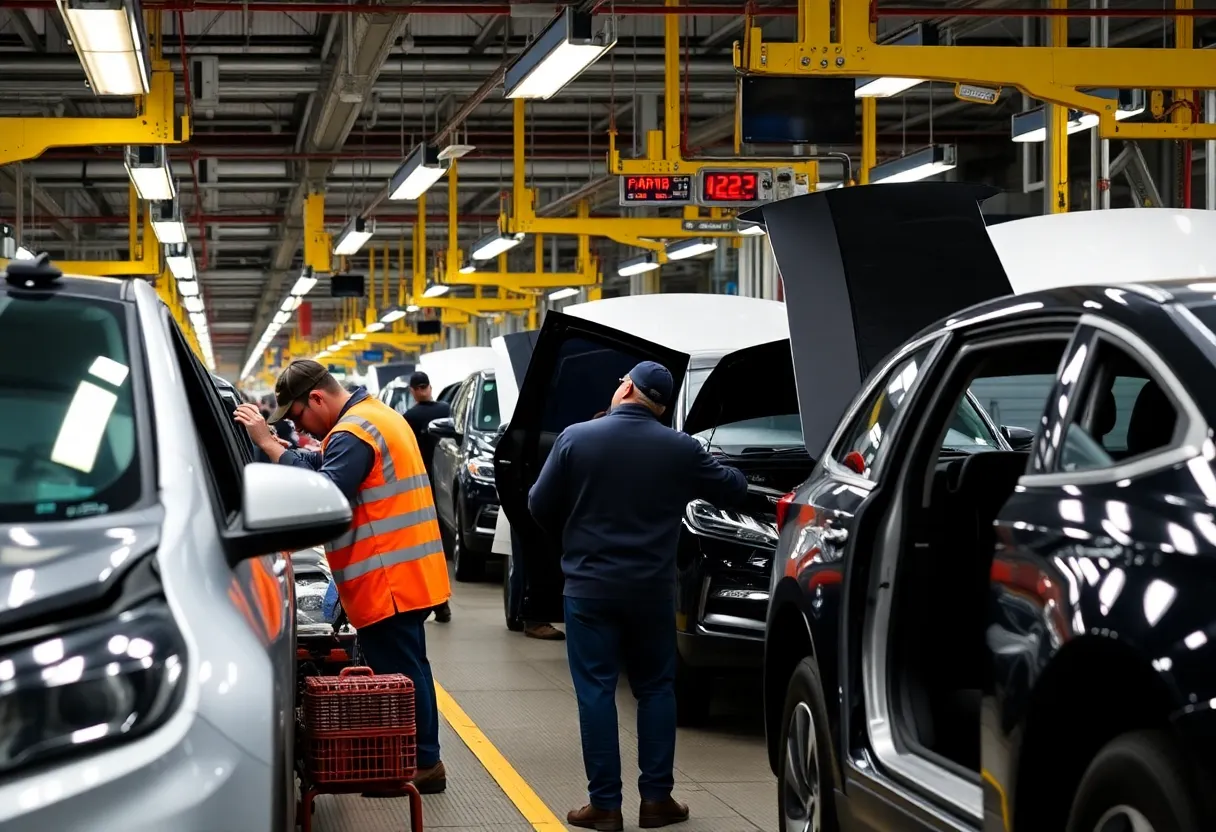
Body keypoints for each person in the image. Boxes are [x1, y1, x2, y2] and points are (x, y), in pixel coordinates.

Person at [527, 361, 748, 831]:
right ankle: (657, 801)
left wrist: (574, 541)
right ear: (662, 406)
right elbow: (735, 489)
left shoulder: (575, 438)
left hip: (588, 588)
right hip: (650, 589)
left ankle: (605, 806)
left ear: (625, 386)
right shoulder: (680, 447)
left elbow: (537, 504)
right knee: (655, 690)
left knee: (596, 693)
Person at [234, 359, 451, 796]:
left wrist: (271, 447)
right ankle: (421, 756)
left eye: (298, 417)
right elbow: (329, 462)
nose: (303, 428)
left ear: (316, 398)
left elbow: (326, 490)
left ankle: (423, 764)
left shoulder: (354, 431)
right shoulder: (374, 416)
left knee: (402, 672)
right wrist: (288, 447)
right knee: (412, 668)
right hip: (409, 569)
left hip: (387, 575)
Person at [401, 371, 453, 624]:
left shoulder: (408, 418)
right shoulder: (447, 409)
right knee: (433, 548)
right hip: (444, 486)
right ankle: (440, 604)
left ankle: (433, 604)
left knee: (420, 548)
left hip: (418, 487)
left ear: (413, 391)